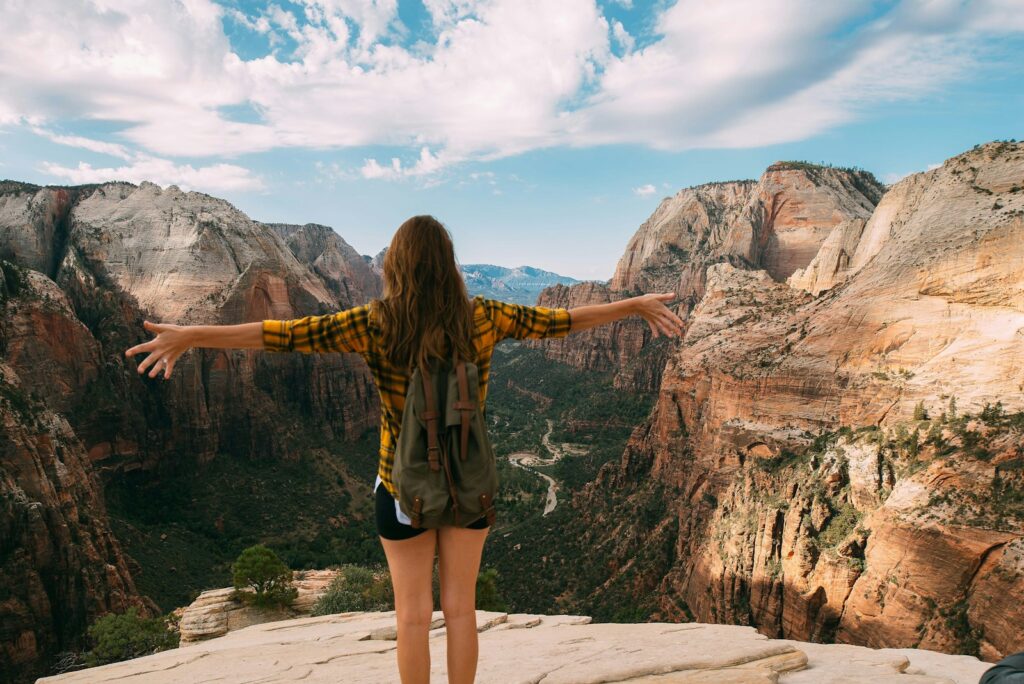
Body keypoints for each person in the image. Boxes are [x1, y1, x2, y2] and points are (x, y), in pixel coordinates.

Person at [124, 215, 685, 683]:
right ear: (448, 264)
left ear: (395, 267)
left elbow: (282, 334)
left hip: (400, 489)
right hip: (471, 486)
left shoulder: (377, 323)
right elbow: (560, 323)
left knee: (413, 617)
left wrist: (194, 335)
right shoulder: (484, 316)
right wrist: (629, 306)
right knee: (461, 612)